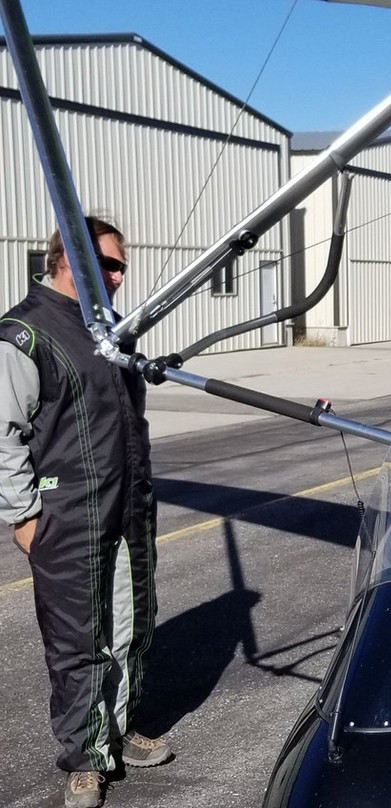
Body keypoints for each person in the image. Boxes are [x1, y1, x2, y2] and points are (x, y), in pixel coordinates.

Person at [0, 217, 170, 808]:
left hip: (127, 506)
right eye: (110, 265)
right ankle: (82, 759)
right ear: (68, 260)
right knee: (77, 639)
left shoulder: (112, 331)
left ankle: (114, 735)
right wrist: (22, 515)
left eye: (123, 266)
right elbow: (2, 432)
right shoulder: (25, 331)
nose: (121, 276)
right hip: (66, 511)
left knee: (129, 624)